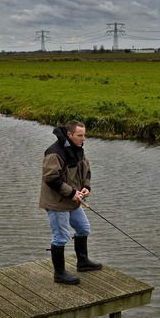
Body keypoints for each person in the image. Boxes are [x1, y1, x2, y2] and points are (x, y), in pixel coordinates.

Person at [39, 120, 102, 285]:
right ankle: (59, 274)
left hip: (72, 200)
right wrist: (72, 192)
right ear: (69, 135)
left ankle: (82, 263)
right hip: (57, 202)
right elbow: (51, 178)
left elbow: (86, 169)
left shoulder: (78, 149)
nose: (84, 139)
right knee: (60, 237)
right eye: (80, 135)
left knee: (83, 228)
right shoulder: (54, 153)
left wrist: (85, 187)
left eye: (84, 135)